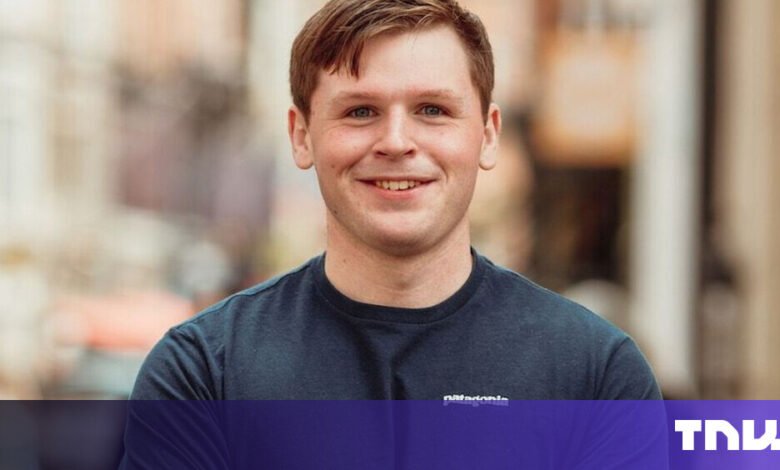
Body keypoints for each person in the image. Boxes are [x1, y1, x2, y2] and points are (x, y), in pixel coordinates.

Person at [122, 0, 665, 467]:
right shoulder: (204, 373)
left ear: (487, 135)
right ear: (302, 135)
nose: (397, 141)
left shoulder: (595, 375)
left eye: (433, 110)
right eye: (361, 111)